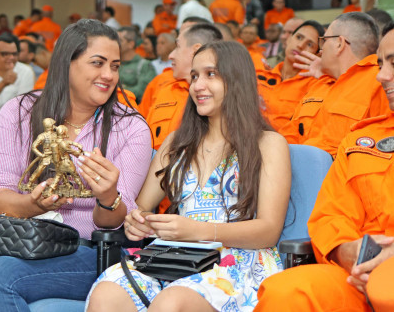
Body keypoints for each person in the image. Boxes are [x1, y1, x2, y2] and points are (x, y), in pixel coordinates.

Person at [0, 19, 152, 311]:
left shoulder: (130, 127)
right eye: (98, 63)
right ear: (65, 63)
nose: (108, 75)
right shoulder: (19, 111)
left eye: (115, 66)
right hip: (18, 238)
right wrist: (34, 205)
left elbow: (115, 222)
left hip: (87, 249)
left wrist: (108, 198)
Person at [86, 40, 291, 312]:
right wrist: (138, 221)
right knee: (106, 294)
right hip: (172, 258)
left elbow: (268, 230)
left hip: (236, 263)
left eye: (211, 74)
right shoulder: (176, 144)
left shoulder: (268, 143)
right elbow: (141, 209)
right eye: (194, 76)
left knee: (171, 303)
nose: (197, 85)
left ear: (237, 80)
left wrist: (200, 231)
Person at [256, 23, 394, 312]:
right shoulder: (360, 141)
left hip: (385, 280)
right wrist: (348, 253)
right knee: (285, 292)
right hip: (357, 276)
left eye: (393, 63)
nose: (381, 76)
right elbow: (331, 214)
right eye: (381, 64)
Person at [280, 12, 390, 157]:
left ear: (339, 44)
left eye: (324, 41)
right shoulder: (320, 85)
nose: (320, 50)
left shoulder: (380, 81)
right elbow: (287, 138)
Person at [143, 23, 222, 214]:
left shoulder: (266, 142)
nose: (170, 55)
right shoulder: (160, 87)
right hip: (162, 216)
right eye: (195, 77)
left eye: (177, 46)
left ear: (195, 50)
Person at [256, 20, 324, 132]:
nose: (300, 45)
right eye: (299, 37)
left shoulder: (315, 85)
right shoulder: (261, 74)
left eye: (309, 44)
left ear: (316, 54)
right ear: (288, 39)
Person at [117, 26, 156, 101]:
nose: (116, 43)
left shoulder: (144, 65)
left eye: (120, 40)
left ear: (131, 44)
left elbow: (142, 91)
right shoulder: (114, 64)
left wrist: (118, 91)